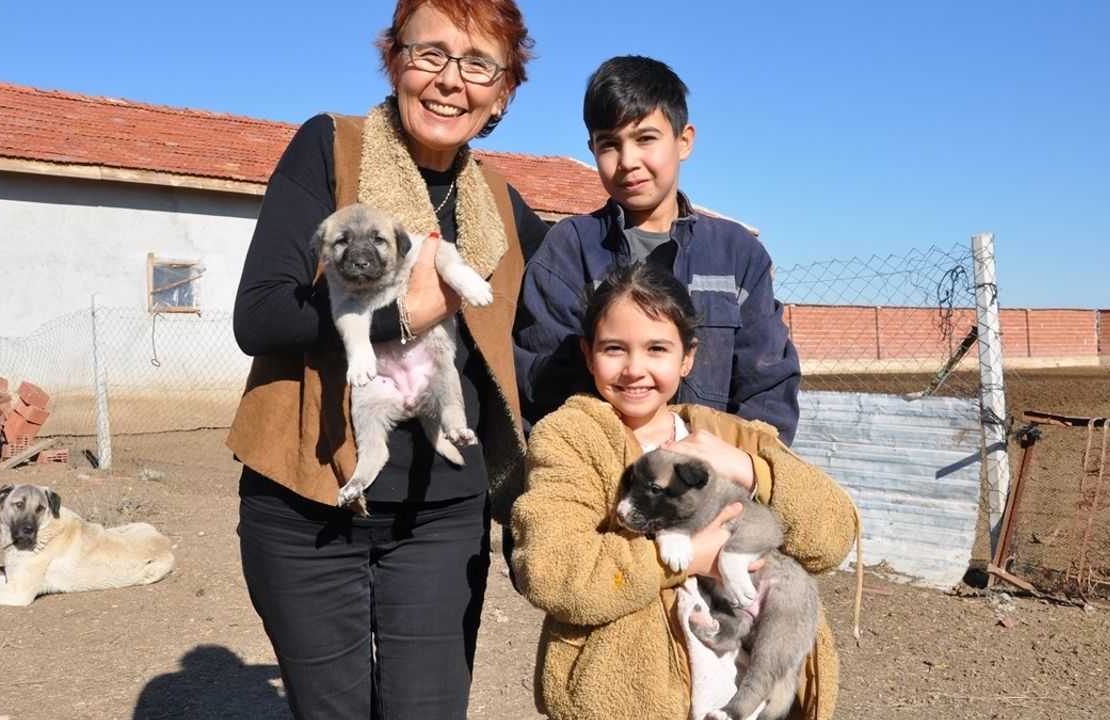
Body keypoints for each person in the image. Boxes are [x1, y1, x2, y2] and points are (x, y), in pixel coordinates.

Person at [226, 2, 547, 717]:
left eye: (477, 64)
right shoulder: (330, 148)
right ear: (395, 61)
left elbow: (567, 322)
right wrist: (402, 314)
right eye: (428, 53)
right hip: (308, 501)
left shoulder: (501, 201)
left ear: (503, 92)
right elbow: (259, 314)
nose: (449, 81)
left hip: (440, 517)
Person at [510, 263, 859, 720]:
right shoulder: (571, 440)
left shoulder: (727, 434)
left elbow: (832, 538)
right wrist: (683, 558)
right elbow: (549, 570)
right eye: (615, 348)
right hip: (630, 700)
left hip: (742, 692)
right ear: (589, 354)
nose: (635, 369)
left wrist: (750, 469)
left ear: (687, 357)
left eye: (657, 348)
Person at [514, 55, 802, 444]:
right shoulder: (569, 250)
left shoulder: (737, 254)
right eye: (609, 145)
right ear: (592, 149)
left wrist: (728, 467)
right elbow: (543, 385)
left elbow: (767, 389)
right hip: (599, 476)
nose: (628, 161)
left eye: (645, 139)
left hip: (710, 484)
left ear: (684, 141)